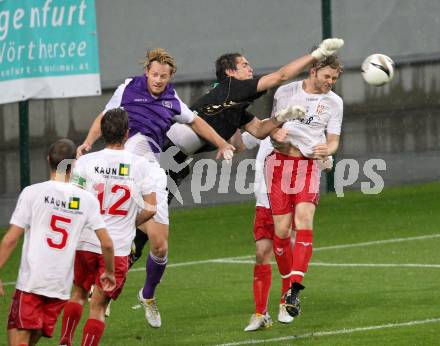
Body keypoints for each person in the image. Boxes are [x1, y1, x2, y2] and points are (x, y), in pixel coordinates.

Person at [130, 38, 345, 264]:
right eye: (244, 65)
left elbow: (257, 132)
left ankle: (118, 269)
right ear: (230, 72)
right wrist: (317, 54)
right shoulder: (233, 87)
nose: (250, 69)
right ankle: (110, 262)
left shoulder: (235, 103)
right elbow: (281, 76)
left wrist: (281, 118)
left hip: (175, 162)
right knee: (143, 221)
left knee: (148, 227)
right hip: (158, 155)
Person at [76, 48, 236, 328]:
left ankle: (147, 295)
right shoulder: (128, 88)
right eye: (154, 74)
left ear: (170, 76)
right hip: (120, 170)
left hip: (149, 172)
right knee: (100, 223)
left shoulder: (172, 100)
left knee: (160, 247)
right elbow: (105, 117)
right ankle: (97, 285)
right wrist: (88, 143)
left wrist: (222, 143)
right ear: (146, 73)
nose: (158, 80)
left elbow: (196, 122)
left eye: (163, 76)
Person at [0, 139, 115, 346]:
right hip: (60, 288)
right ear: (74, 165)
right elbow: (106, 244)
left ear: (47, 160)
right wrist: (109, 271)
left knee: (17, 337)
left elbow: (11, 239)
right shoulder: (87, 200)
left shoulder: (32, 193)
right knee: (29, 338)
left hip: (31, 283)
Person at [59, 108, 157, 345]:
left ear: (102, 132)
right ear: (127, 133)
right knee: (99, 307)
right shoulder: (141, 165)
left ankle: (65, 339)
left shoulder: (86, 162)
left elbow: (75, 201)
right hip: (117, 246)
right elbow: (152, 208)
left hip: (85, 241)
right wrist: (129, 222)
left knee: (78, 294)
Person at [264, 54, 344, 320]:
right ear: (313, 71)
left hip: (308, 166)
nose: (330, 82)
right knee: (282, 232)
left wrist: (328, 148)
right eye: (326, 77)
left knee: (304, 220)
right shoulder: (286, 91)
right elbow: (272, 128)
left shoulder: (334, 103)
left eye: (334, 78)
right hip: (279, 165)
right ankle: (286, 289)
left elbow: (333, 140)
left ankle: (294, 291)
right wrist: (276, 134)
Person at [238, 132, 333, 331]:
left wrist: (323, 156)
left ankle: (286, 301)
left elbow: (326, 164)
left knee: (287, 246)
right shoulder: (264, 127)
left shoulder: (307, 130)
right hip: (264, 202)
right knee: (261, 253)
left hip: (288, 199)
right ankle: (260, 314)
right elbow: (239, 143)